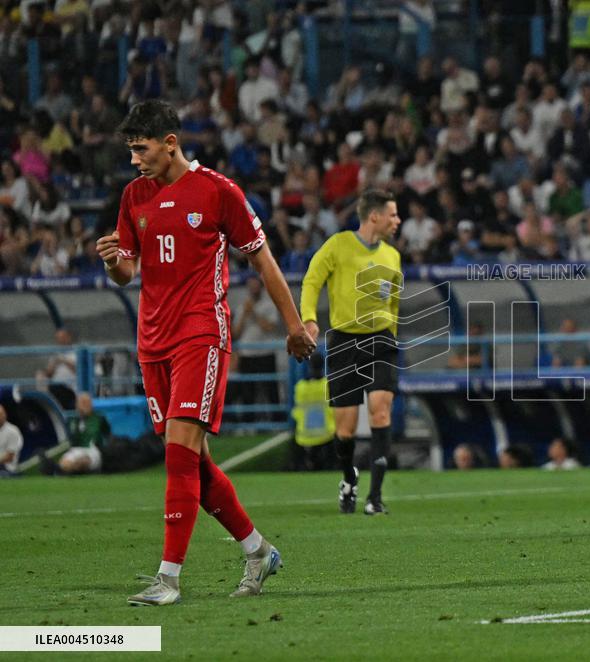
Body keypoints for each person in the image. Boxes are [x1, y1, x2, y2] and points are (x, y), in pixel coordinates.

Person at [95, 100, 316, 606]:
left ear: (170, 143)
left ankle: (168, 579)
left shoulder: (217, 191)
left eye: (141, 149)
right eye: (131, 150)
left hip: (201, 333)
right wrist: (111, 262)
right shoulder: (134, 195)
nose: (134, 159)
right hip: (152, 341)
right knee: (192, 462)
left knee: (178, 454)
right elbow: (127, 271)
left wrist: (293, 326)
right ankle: (258, 551)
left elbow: (263, 261)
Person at [300, 189, 402, 516]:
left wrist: (392, 334)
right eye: (393, 214)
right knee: (344, 430)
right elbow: (312, 280)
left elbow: (394, 302)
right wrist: (309, 318)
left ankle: (375, 498)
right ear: (374, 216)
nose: (397, 221)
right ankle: (349, 478)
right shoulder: (338, 245)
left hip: (381, 341)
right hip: (345, 343)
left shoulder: (392, 256)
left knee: (380, 411)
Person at [232, 276, 281, 424]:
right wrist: (244, 315)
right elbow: (235, 333)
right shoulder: (242, 307)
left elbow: (270, 327)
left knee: (271, 389)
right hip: (247, 354)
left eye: (255, 285)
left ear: (261, 287)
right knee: (247, 390)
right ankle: (249, 422)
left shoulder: (269, 305)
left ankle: (277, 421)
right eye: (250, 285)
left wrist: (253, 313)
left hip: (266, 353)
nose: (253, 288)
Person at [56, 392, 111, 474]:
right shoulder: (72, 420)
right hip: (76, 450)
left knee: (83, 462)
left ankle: (73, 470)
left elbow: (108, 434)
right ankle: (70, 469)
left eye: (86, 403)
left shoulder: (99, 418)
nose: (84, 406)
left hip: (92, 451)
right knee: (64, 463)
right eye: (81, 403)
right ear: (77, 405)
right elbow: (69, 439)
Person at [0, 405, 23, 478]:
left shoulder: (12, 431)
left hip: (7, 468)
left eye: (1, 414)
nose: (1, 417)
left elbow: (10, 457)